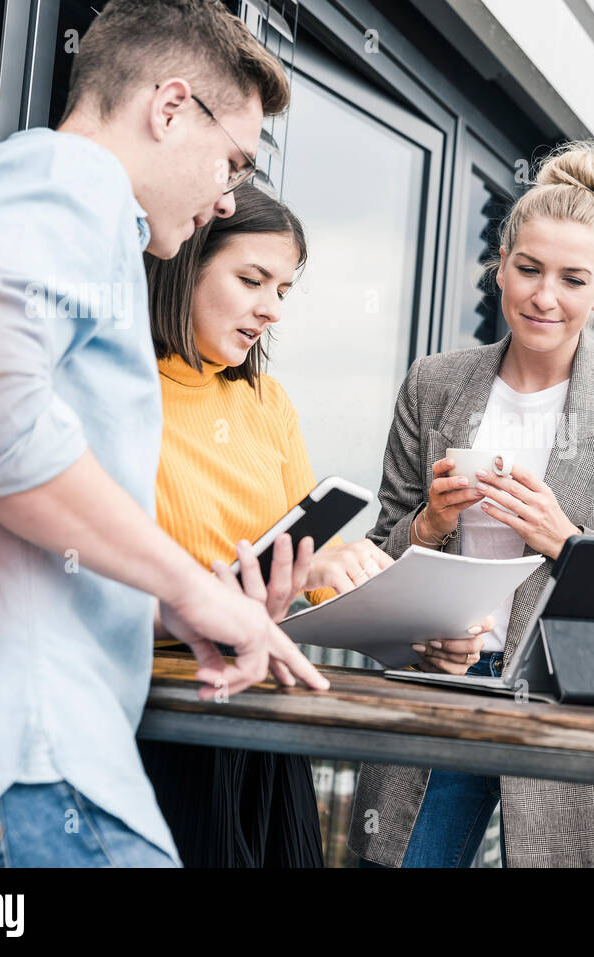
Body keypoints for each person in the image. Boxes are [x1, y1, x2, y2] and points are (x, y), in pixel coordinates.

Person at [0, 0, 326, 869]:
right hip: (16, 772)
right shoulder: (67, 180)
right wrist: (192, 592)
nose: (229, 195)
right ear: (168, 107)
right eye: (233, 159)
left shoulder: (57, 208)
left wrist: (169, 597)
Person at [348, 140, 594, 868]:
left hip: (571, 701)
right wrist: (432, 522)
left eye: (572, 278)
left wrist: (567, 542)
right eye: (529, 268)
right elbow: (377, 559)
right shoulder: (434, 384)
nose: (545, 296)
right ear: (500, 265)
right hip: (442, 688)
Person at [138, 181, 489, 866]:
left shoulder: (268, 402)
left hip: (266, 722)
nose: (270, 310)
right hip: (164, 716)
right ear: (186, 261)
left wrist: (416, 632)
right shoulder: (122, 388)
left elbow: (316, 570)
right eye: (251, 280)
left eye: (284, 290)